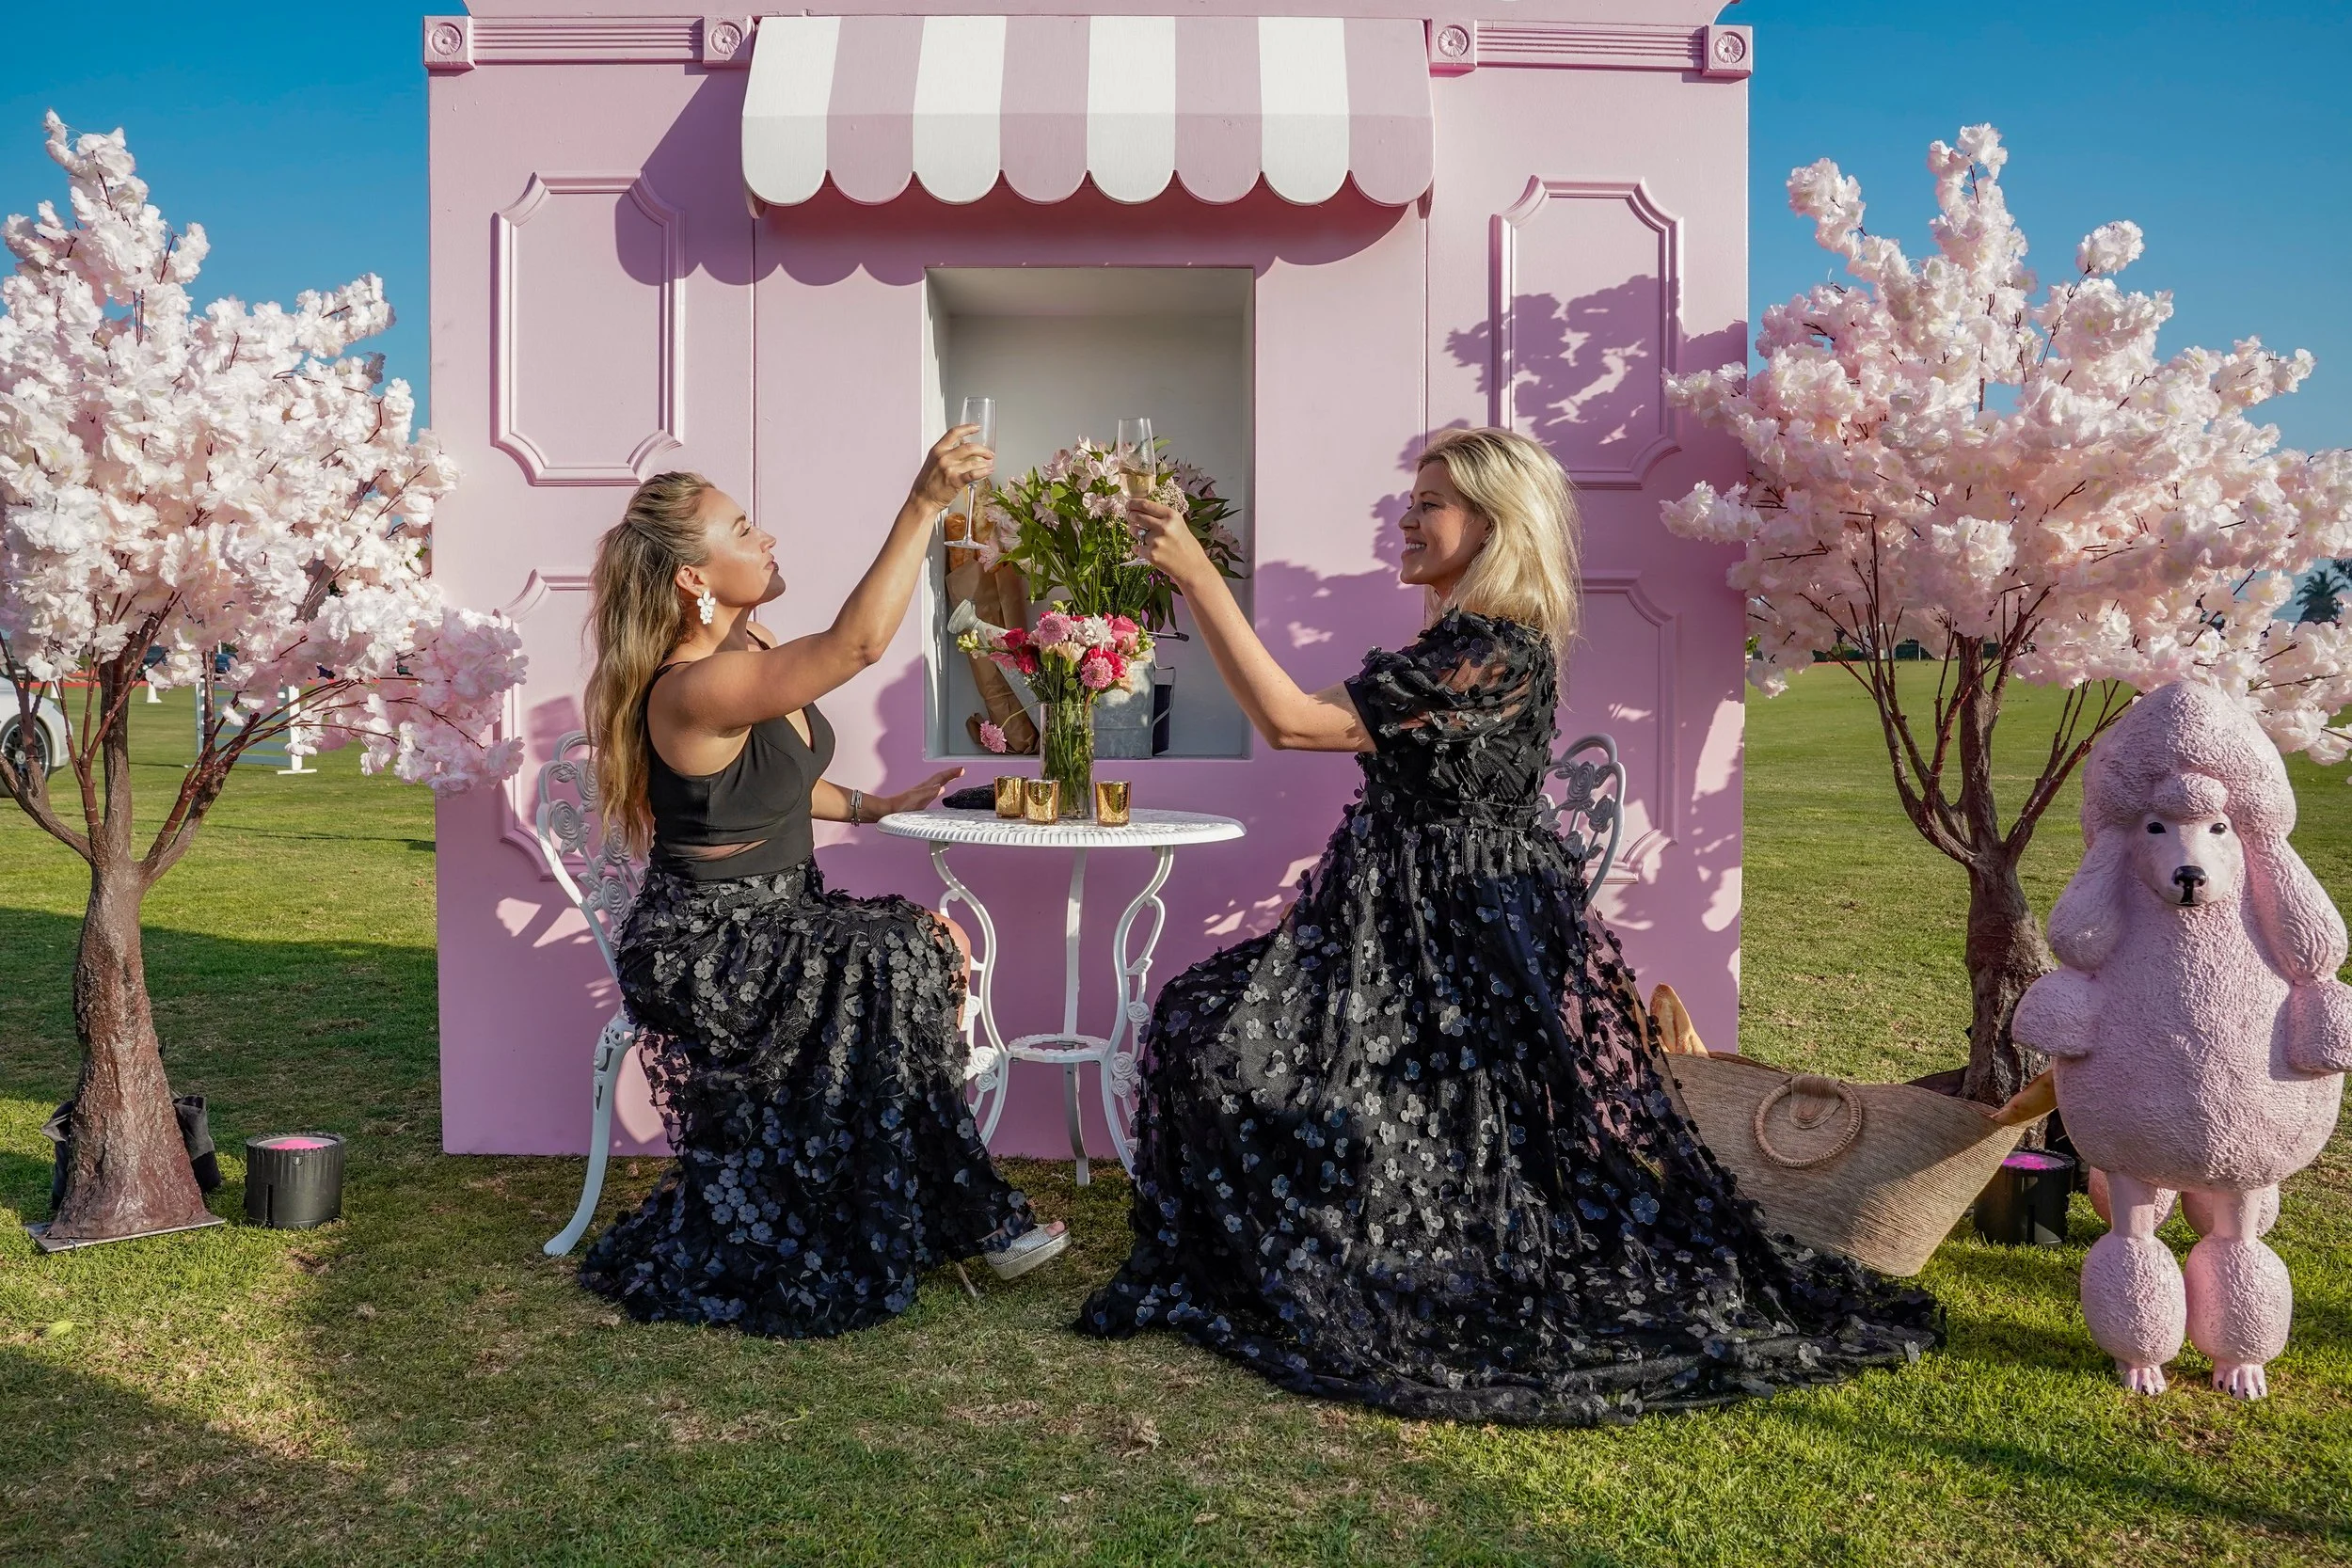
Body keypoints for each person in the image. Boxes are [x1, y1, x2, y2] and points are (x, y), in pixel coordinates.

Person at [1077, 427, 1941, 1424]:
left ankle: (1353, 1253)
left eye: (1431, 500)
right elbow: (1301, 705)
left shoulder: (1494, 651)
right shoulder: (1448, 648)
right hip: (1389, 925)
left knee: (1223, 1038)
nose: (1407, 515)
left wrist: (1197, 576)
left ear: (1492, 525)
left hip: (1455, 942)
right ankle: (1299, 1246)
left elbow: (1289, 725)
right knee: (1202, 1018)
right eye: (1413, 495)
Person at [576, 428, 1070, 1338]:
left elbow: (779, 775)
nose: (765, 539)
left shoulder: (750, 641)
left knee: (916, 943)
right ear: (693, 577)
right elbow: (854, 646)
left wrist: (881, 805)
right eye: (743, 528)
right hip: (707, 943)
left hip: (780, 916)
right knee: (895, 953)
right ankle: (970, 1214)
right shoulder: (691, 688)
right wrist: (923, 502)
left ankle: (941, 1210)